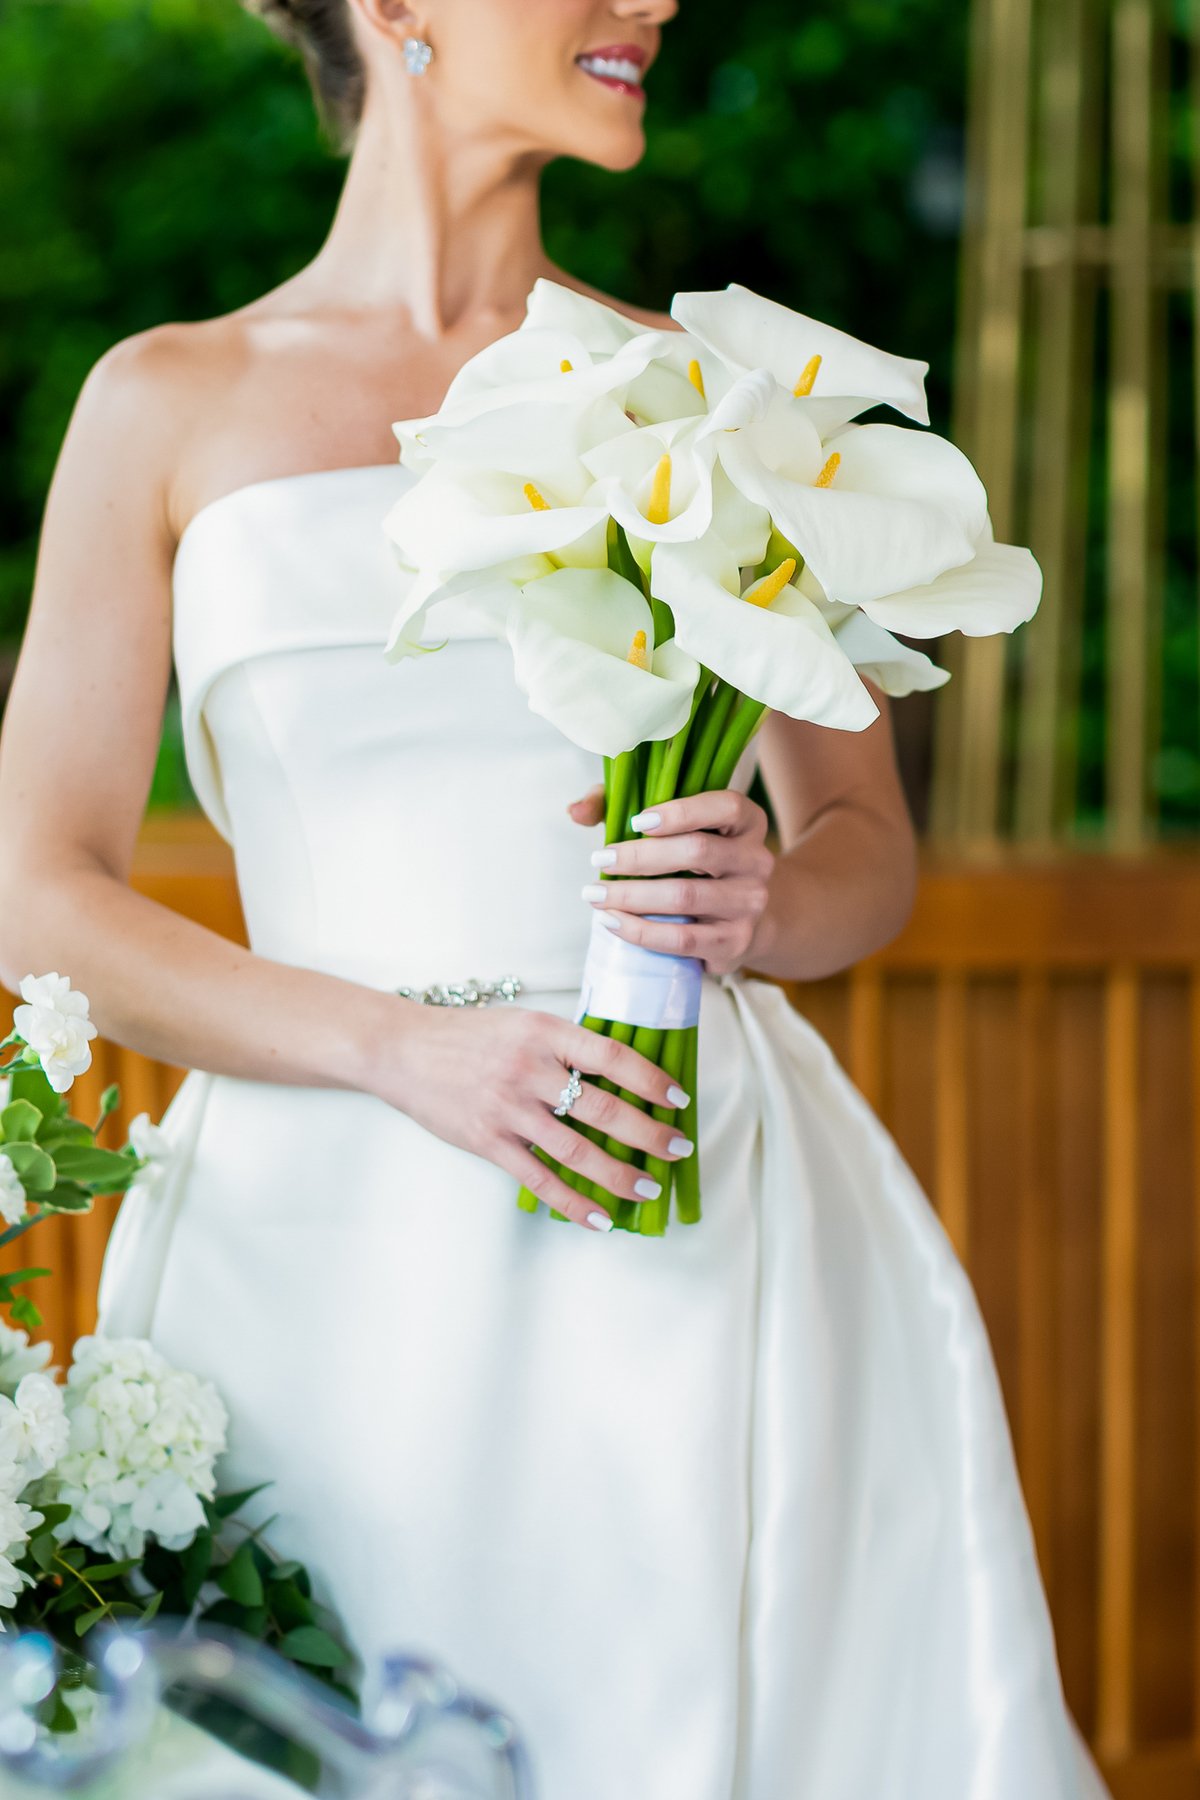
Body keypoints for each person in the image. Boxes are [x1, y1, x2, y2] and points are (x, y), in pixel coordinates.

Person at [0, 2, 1105, 1795]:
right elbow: (40, 896)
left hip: (686, 1214)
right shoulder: (163, 403)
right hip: (310, 1245)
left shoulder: (714, 396)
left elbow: (865, 852)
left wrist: (764, 907)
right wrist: (402, 1052)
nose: (649, 0)